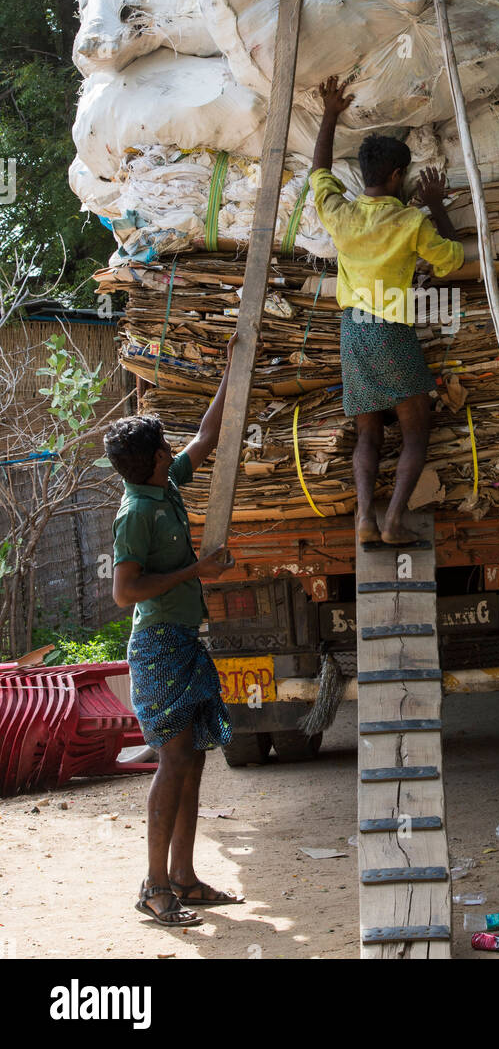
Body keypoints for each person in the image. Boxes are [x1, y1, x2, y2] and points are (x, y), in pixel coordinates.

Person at [106, 335, 243, 926]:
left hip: (182, 640)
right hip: (157, 646)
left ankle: (184, 879)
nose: (170, 449)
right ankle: (153, 886)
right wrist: (196, 570)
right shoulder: (136, 513)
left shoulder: (165, 488)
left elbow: (208, 437)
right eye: (162, 446)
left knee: (193, 759)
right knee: (172, 760)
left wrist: (233, 369)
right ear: (149, 461)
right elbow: (124, 592)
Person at [310, 76, 464, 545]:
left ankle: (363, 520)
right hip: (391, 330)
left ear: (364, 175)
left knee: (369, 435)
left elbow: (319, 172)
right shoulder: (410, 220)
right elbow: (452, 260)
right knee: (417, 431)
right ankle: (394, 521)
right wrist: (437, 207)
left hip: (352, 333)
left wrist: (331, 113)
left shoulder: (341, 214)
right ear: (398, 177)